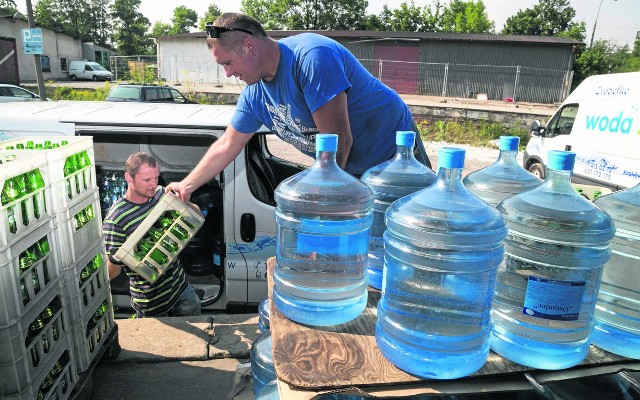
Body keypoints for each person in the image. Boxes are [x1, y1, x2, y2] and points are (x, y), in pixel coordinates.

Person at [166, 12, 430, 202]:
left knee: (409, 236)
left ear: (248, 46)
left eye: (228, 63)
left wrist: (320, 204)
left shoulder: (312, 57)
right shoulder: (255, 94)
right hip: (350, 169)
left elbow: (337, 143)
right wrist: (186, 186)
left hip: (394, 157)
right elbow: (227, 145)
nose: (227, 74)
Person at [103, 152, 201, 318]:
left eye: (156, 178)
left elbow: (198, 214)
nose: (153, 184)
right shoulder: (116, 219)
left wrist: (183, 202)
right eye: (147, 180)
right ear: (129, 177)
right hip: (152, 306)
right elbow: (113, 271)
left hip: (182, 290)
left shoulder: (160, 194)